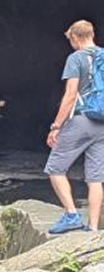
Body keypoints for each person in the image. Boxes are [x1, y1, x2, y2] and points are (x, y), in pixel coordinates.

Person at [44, 20, 104, 235]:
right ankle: (94, 228)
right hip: (102, 124)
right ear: (92, 34)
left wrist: (56, 126)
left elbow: (70, 95)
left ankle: (71, 214)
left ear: (75, 38)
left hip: (82, 119)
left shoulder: (76, 58)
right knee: (96, 177)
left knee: (55, 168)